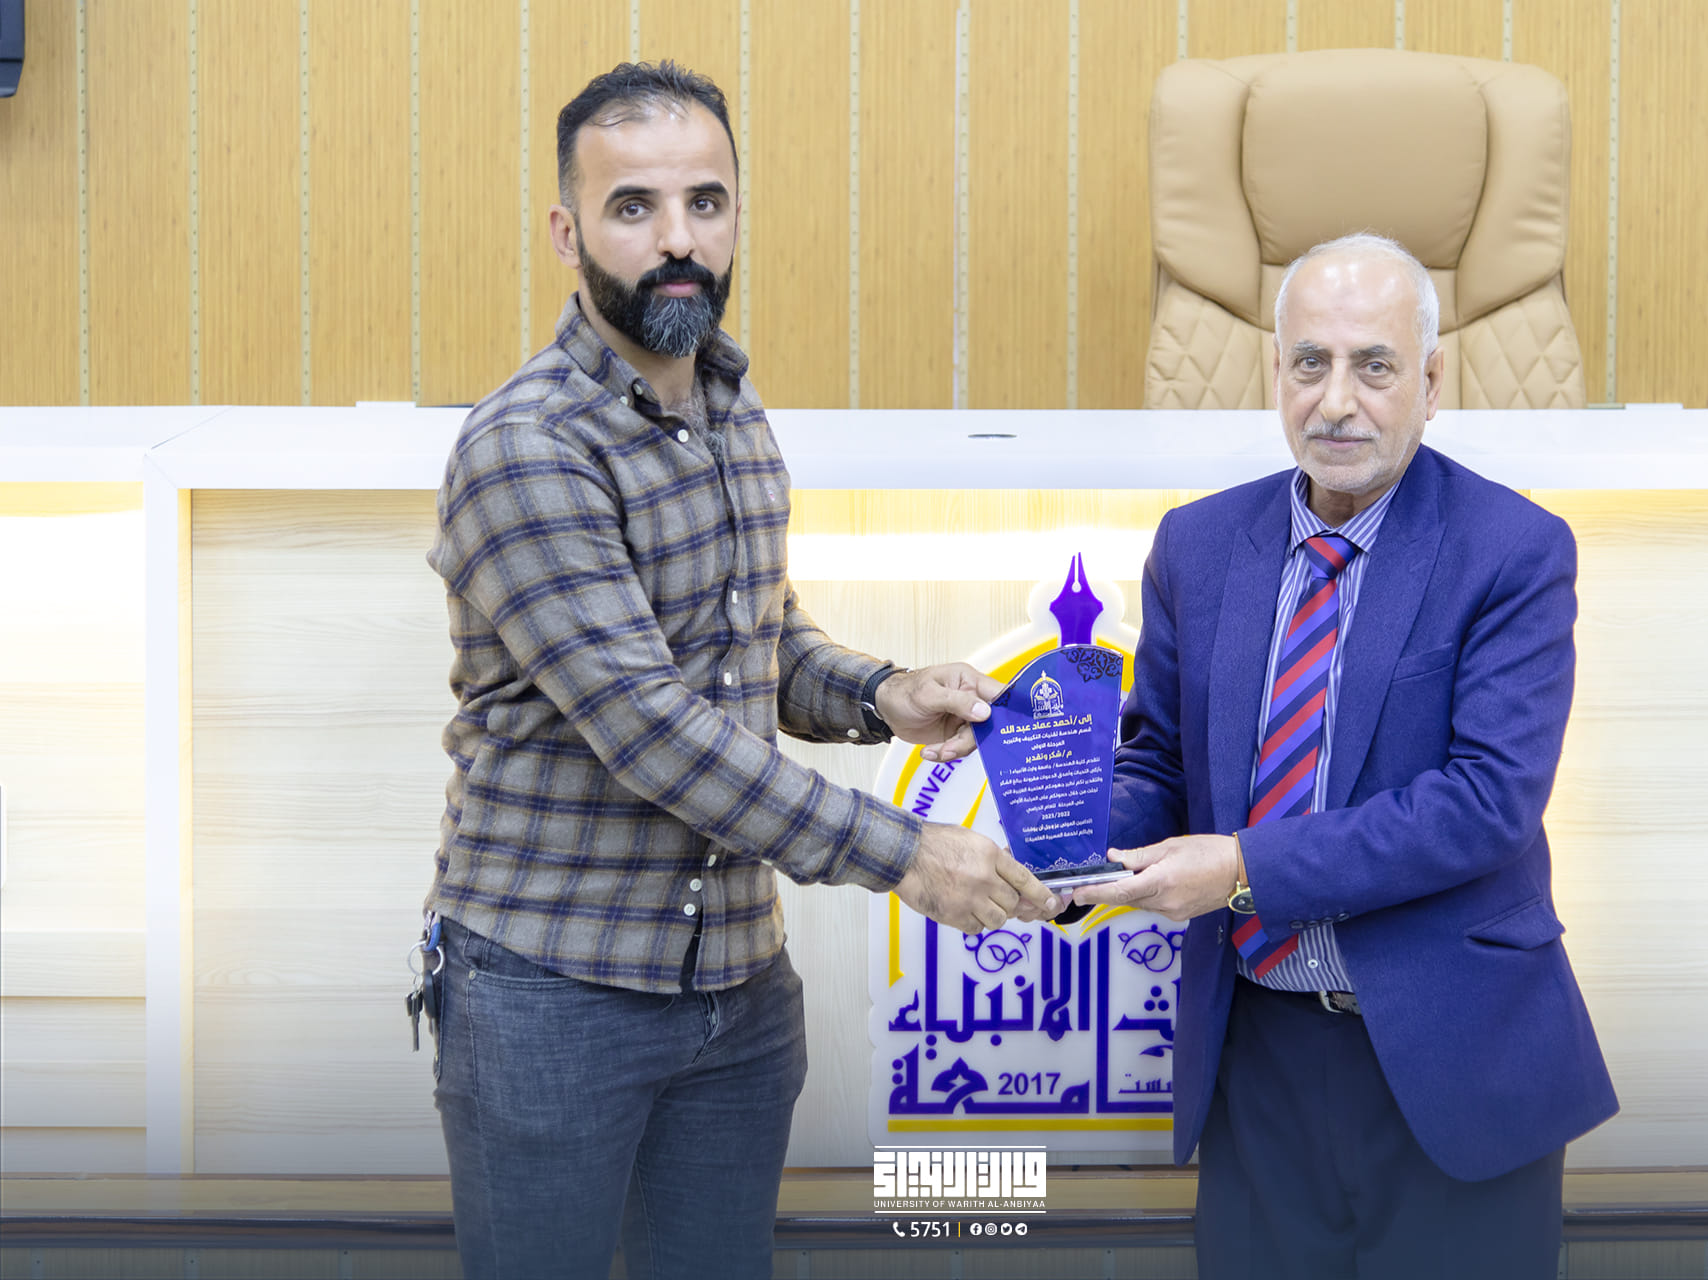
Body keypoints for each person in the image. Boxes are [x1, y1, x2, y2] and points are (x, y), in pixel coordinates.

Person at [420, 61, 1057, 1280]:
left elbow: (749, 634)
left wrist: (879, 693)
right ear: (566, 231)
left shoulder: (729, 403)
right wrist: (909, 853)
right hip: (552, 996)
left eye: (704, 202)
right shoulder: (526, 447)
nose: (678, 239)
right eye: (634, 206)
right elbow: (653, 728)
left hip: (737, 994)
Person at [1073, 232, 1617, 1278]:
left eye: (1374, 366)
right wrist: (1065, 840)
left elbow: (1485, 803)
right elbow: (1160, 763)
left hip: (1455, 1061)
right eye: (1310, 363)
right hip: (1257, 1061)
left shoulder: (1513, 549)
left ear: (1431, 381)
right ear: (1274, 371)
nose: (1336, 402)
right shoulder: (1197, 545)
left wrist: (1241, 868)